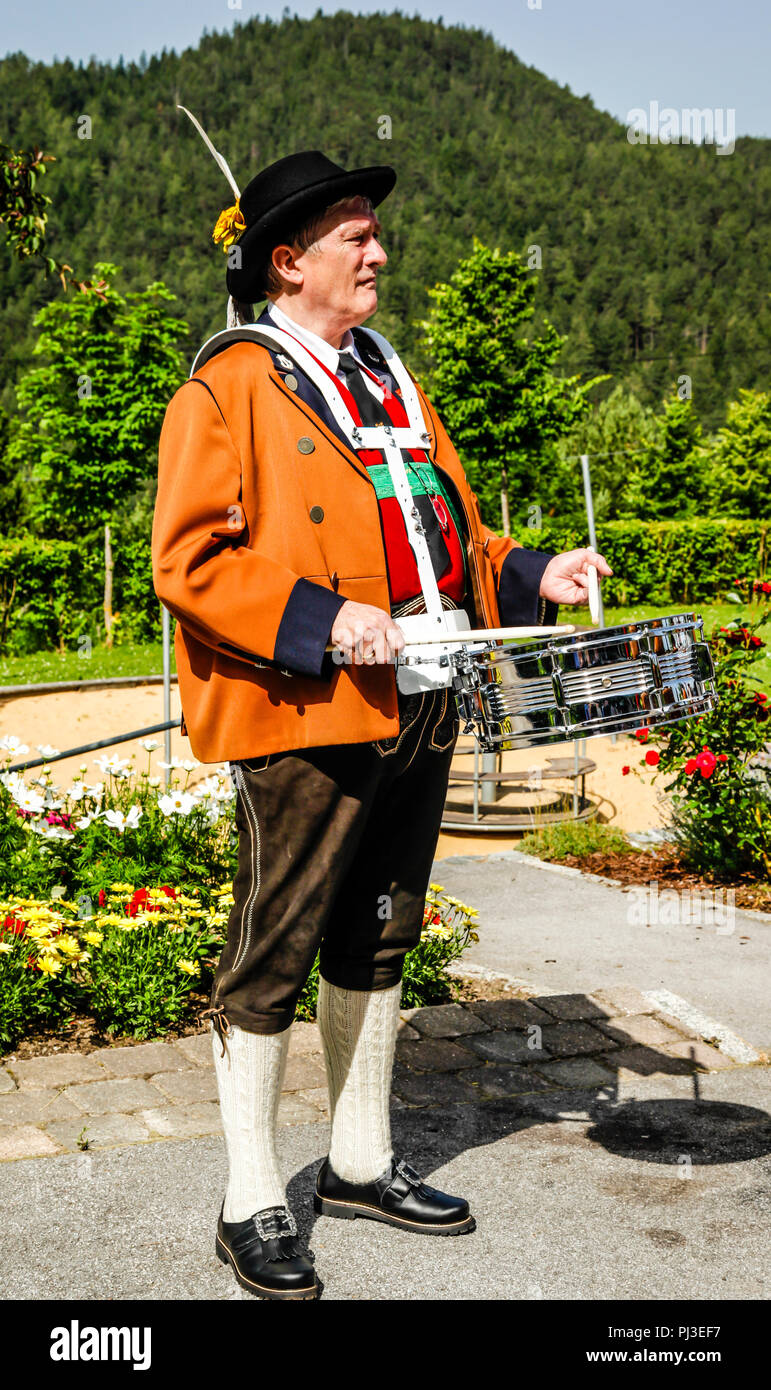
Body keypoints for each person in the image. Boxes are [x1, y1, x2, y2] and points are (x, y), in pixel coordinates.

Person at [151, 149, 612, 1300]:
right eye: (355, 233)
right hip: (302, 709)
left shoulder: (390, 374)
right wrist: (330, 621)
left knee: (380, 933)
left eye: (372, 231)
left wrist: (529, 570)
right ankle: (249, 1194)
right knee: (275, 951)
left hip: (422, 696)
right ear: (286, 260)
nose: (378, 250)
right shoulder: (228, 386)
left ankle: (357, 1159)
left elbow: (441, 526)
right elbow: (190, 559)